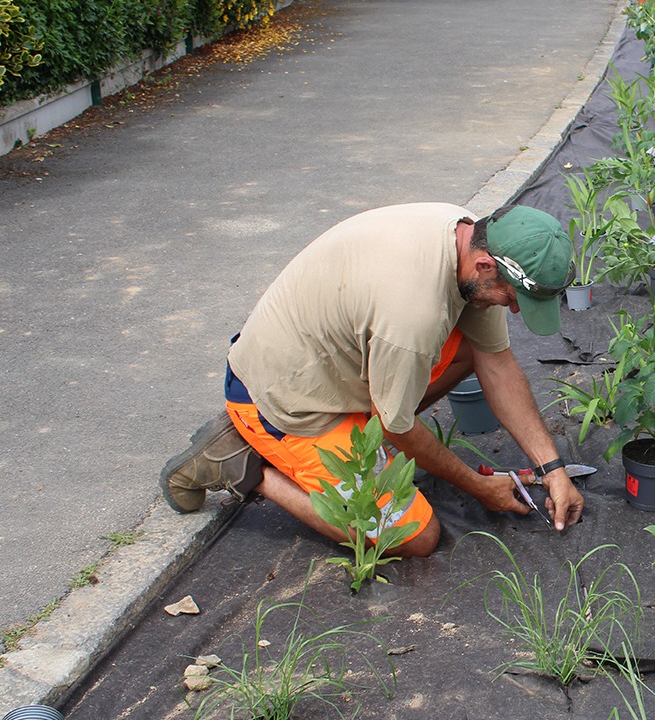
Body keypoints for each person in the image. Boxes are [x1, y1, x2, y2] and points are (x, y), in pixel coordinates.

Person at [160, 202, 585, 557]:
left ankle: (350, 435)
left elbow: (498, 365)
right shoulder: (412, 313)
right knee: (417, 536)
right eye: (511, 297)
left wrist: (552, 469)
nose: (512, 310)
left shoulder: (466, 234)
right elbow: (396, 425)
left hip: (326, 363)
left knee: (470, 347)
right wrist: (478, 487)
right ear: (485, 265)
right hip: (283, 401)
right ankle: (247, 466)